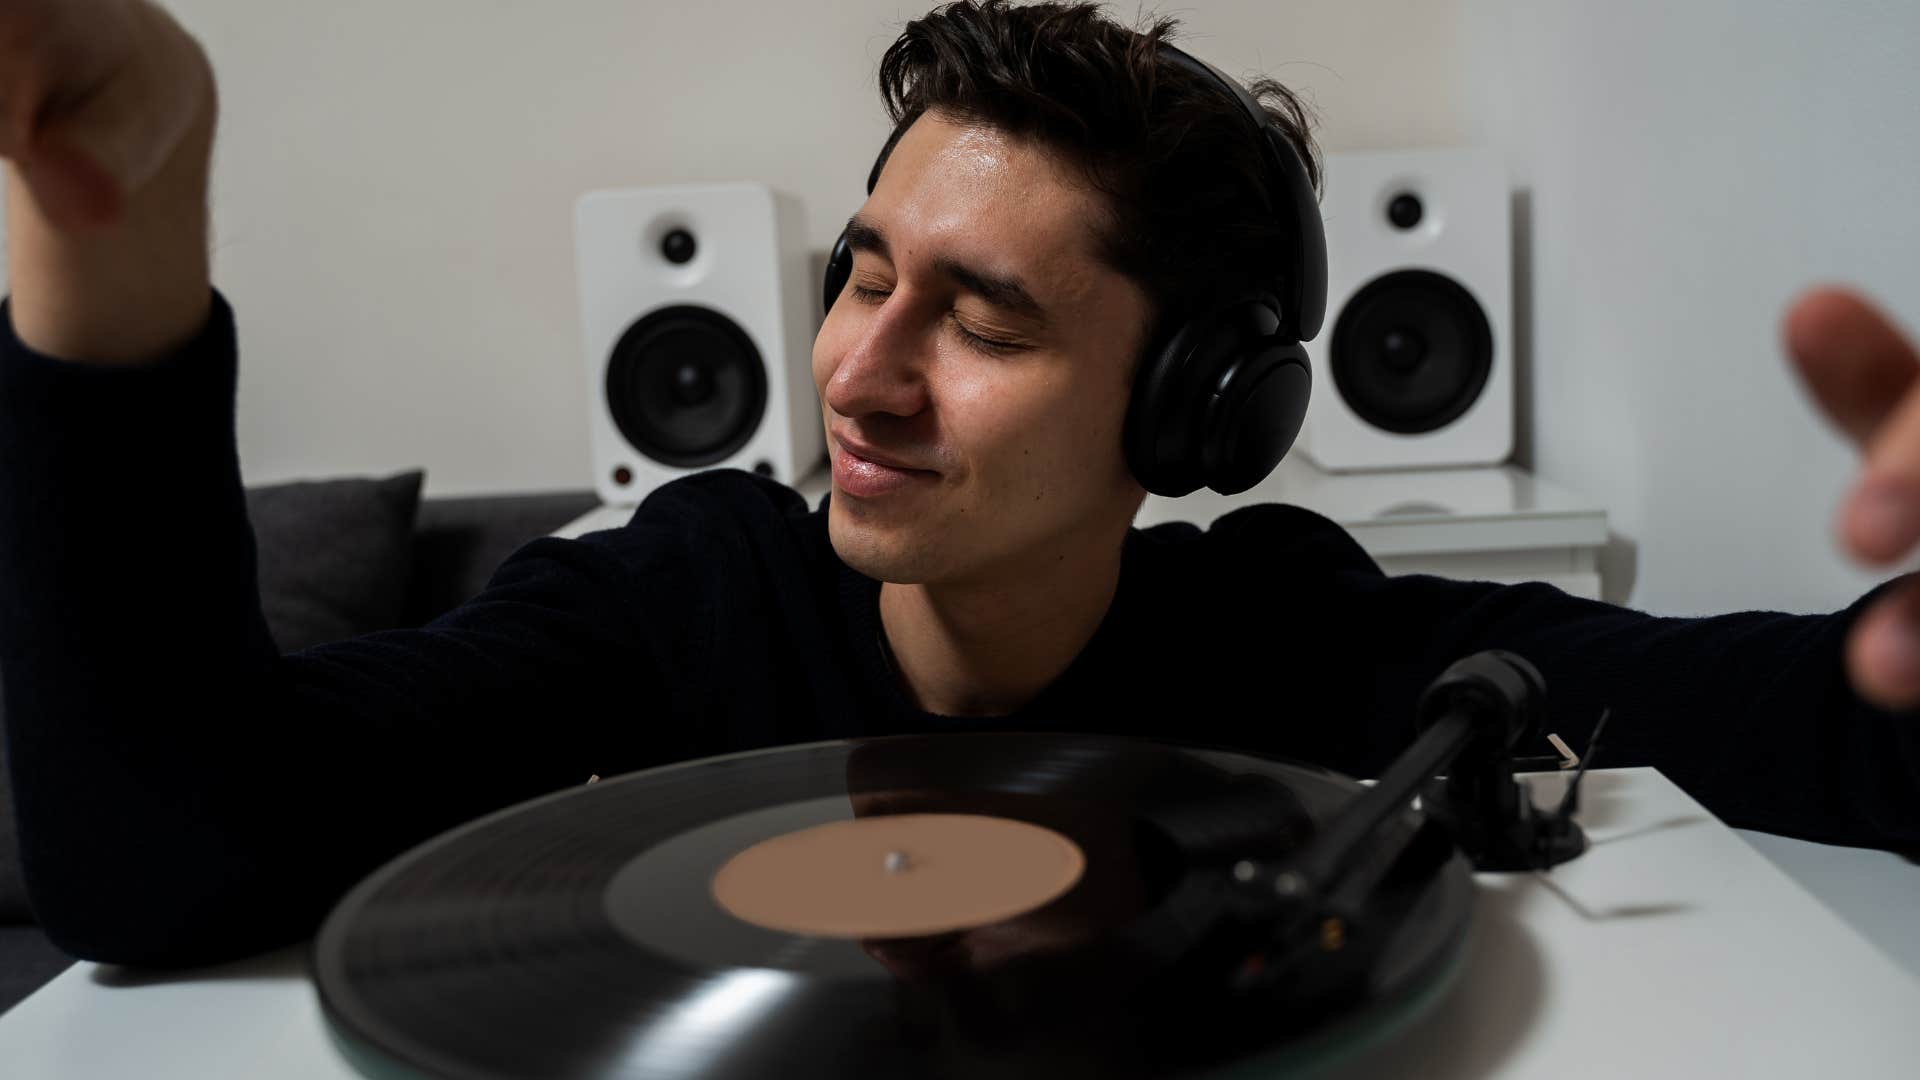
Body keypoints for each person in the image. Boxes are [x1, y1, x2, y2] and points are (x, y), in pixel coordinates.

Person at [0, 0, 1914, 972]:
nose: (856, 371)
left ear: (1196, 413)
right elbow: (156, 852)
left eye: (983, 322)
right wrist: (121, 235)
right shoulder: (691, 594)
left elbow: (1819, 723)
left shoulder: (1288, 635)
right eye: (863, 275)